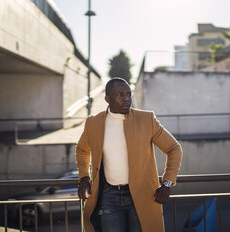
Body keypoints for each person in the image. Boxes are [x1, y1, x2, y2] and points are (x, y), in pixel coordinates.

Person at [76, 77, 183, 232]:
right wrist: (84, 177)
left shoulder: (146, 120)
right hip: (108, 196)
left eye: (128, 94)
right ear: (108, 99)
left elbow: (174, 148)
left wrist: (167, 183)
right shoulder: (93, 123)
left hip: (143, 196)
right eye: (120, 95)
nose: (126, 98)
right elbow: (81, 149)